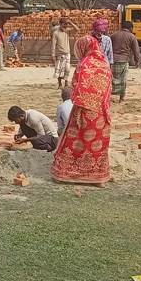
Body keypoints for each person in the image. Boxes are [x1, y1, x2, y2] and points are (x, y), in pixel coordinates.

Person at [51, 33, 113, 186]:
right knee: (97, 147)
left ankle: (65, 174)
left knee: (75, 142)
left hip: (83, 112)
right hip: (101, 114)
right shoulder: (104, 65)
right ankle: (98, 178)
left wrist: (80, 107)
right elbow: (109, 89)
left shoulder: (84, 65)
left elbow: (76, 90)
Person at [109, 20, 139, 102]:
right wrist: (137, 60)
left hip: (113, 60)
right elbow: (136, 49)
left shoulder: (114, 35)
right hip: (124, 60)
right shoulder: (131, 36)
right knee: (123, 80)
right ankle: (121, 98)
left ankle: (108, 95)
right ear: (131, 28)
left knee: (111, 79)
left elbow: (109, 47)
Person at [51, 17, 78, 89]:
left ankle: (66, 84)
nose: (65, 26)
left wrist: (71, 23)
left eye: (66, 24)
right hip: (59, 54)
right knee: (59, 70)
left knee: (67, 69)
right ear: (60, 24)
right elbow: (53, 45)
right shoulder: (56, 33)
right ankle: (60, 84)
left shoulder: (67, 31)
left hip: (67, 54)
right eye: (64, 24)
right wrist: (53, 55)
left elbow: (77, 29)